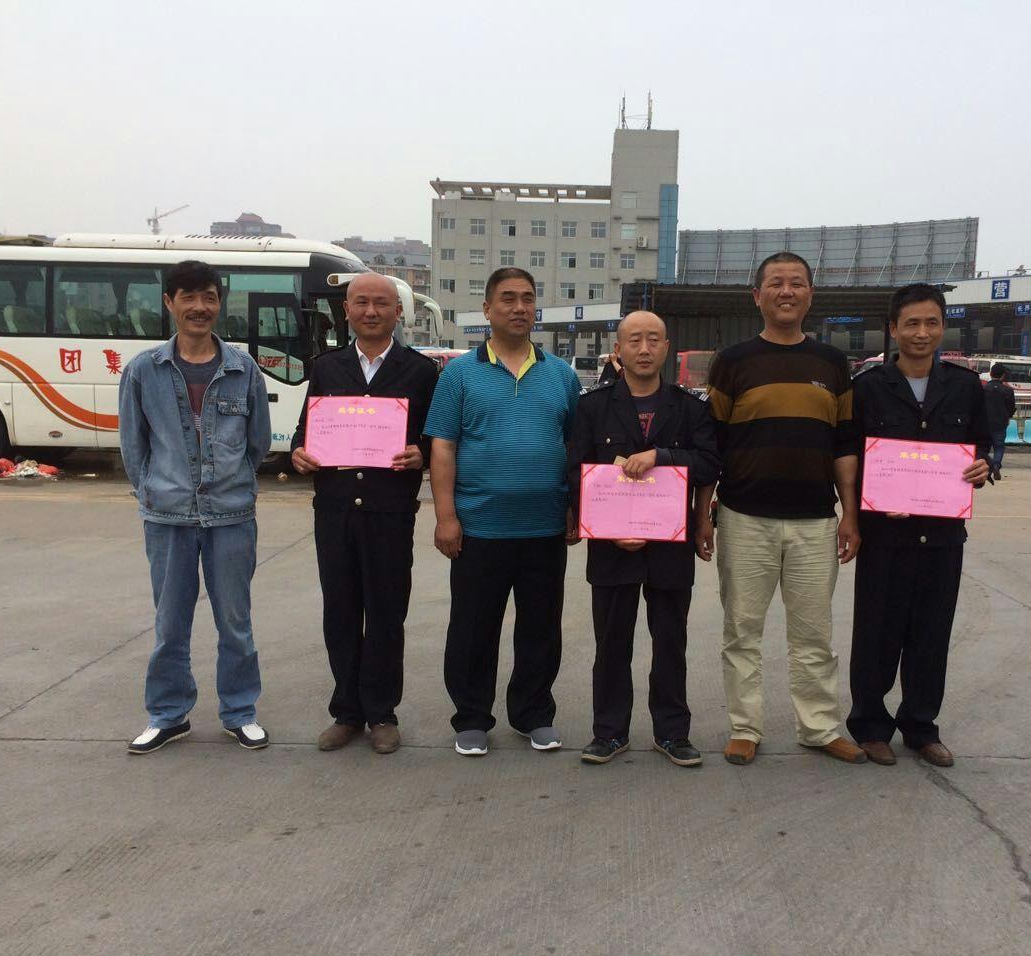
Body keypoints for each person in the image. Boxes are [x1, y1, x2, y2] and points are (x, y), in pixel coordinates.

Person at [703, 251, 866, 767]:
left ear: (810, 295)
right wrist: (702, 512)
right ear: (757, 296)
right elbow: (712, 442)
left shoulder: (832, 363)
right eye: (776, 283)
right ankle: (744, 727)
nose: (787, 291)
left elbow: (845, 443)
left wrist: (850, 514)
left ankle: (819, 727)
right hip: (743, 517)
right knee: (741, 631)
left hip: (815, 521)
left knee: (814, 634)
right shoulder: (732, 361)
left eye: (797, 283)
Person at [424, 267, 582, 756]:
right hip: (479, 528)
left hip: (544, 527)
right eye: (508, 298)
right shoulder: (459, 375)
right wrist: (446, 516)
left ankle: (533, 714)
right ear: (487, 309)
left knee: (541, 628)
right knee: (473, 628)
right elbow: (443, 447)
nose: (519, 307)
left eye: (528, 298)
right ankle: (472, 717)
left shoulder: (561, 375)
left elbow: (574, 448)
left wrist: (575, 506)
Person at [118, 260, 272, 755]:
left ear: (219, 303)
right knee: (169, 625)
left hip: (231, 516)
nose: (199, 307)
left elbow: (258, 443)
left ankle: (240, 711)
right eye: (188, 297)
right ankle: (167, 715)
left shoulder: (243, 368)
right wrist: (155, 489)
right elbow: (133, 447)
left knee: (235, 623)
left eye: (208, 297)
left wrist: (231, 483)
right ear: (170, 303)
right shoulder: (144, 370)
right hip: (168, 517)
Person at [289, 273, 438, 755]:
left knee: (387, 613)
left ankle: (381, 713)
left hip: (389, 511)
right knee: (340, 612)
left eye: (381, 303)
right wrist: (298, 452)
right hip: (335, 512)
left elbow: (436, 436)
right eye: (361, 303)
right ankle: (347, 712)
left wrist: (422, 454)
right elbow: (305, 431)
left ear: (399, 311)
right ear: (347, 310)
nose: (371, 312)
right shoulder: (327, 367)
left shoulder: (420, 371)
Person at [567, 311, 720, 767]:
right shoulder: (592, 406)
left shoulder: (691, 407)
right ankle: (609, 732)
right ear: (618, 350)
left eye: (654, 339)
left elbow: (710, 463)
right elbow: (575, 470)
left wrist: (663, 455)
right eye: (634, 340)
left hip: (670, 545)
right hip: (611, 546)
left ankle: (672, 732)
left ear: (666, 348)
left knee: (670, 642)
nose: (645, 348)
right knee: (611, 643)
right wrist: (601, 526)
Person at [847, 283, 991, 768]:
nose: (922, 332)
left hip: (943, 536)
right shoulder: (868, 388)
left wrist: (984, 465)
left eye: (931, 322)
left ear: (943, 327)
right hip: (885, 536)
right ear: (893, 329)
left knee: (932, 634)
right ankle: (870, 726)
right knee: (877, 633)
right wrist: (869, 501)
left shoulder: (965, 386)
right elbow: (849, 456)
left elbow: (982, 445)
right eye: (911, 323)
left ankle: (921, 727)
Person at [983, 363, 1017, 481]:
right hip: (1000, 423)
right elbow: (1011, 408)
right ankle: (996, 465)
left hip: (984, 423)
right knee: (999, 447)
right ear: (1003, 375)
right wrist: (1008, 417)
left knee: (984, 447)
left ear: (990, 374)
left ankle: (985, 468)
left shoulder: (983, 389)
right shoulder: (1008, 390)